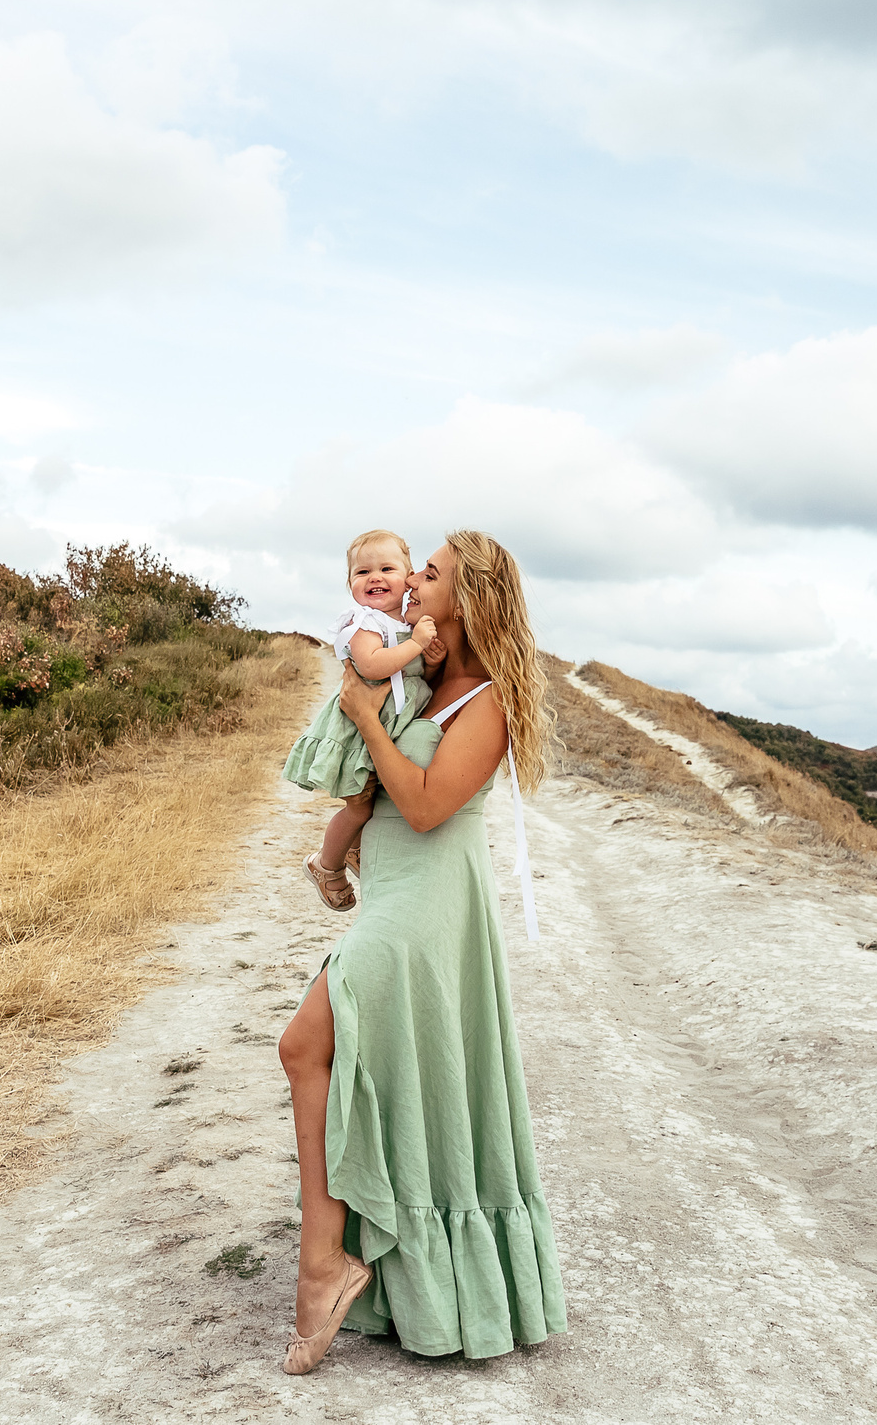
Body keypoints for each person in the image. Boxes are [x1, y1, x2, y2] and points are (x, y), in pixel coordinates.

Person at [275, 530, 567, 1374]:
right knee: (374, 1067)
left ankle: (323, 1267)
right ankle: (371, 1271)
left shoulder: (488, 702)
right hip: (393, 890)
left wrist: (368, 716)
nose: (411, 581)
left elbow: (432, 805)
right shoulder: (421, 679)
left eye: (429, 572)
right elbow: (362, 783)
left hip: (430, 904)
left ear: (466, 598)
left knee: (305, 1043)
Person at [280, 528, 437, 909]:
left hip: (386, 730)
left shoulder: (405, 622)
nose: (375, 578)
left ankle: (352, 850)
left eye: (387, 568)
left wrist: (429, 656)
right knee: (359, 807)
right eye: (362, 572)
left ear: (409, 576)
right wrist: (416, 644)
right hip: (358, 735)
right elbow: (371, 663)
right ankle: (326, 864)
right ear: (350, 583)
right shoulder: (366, 622)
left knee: (378, 800)